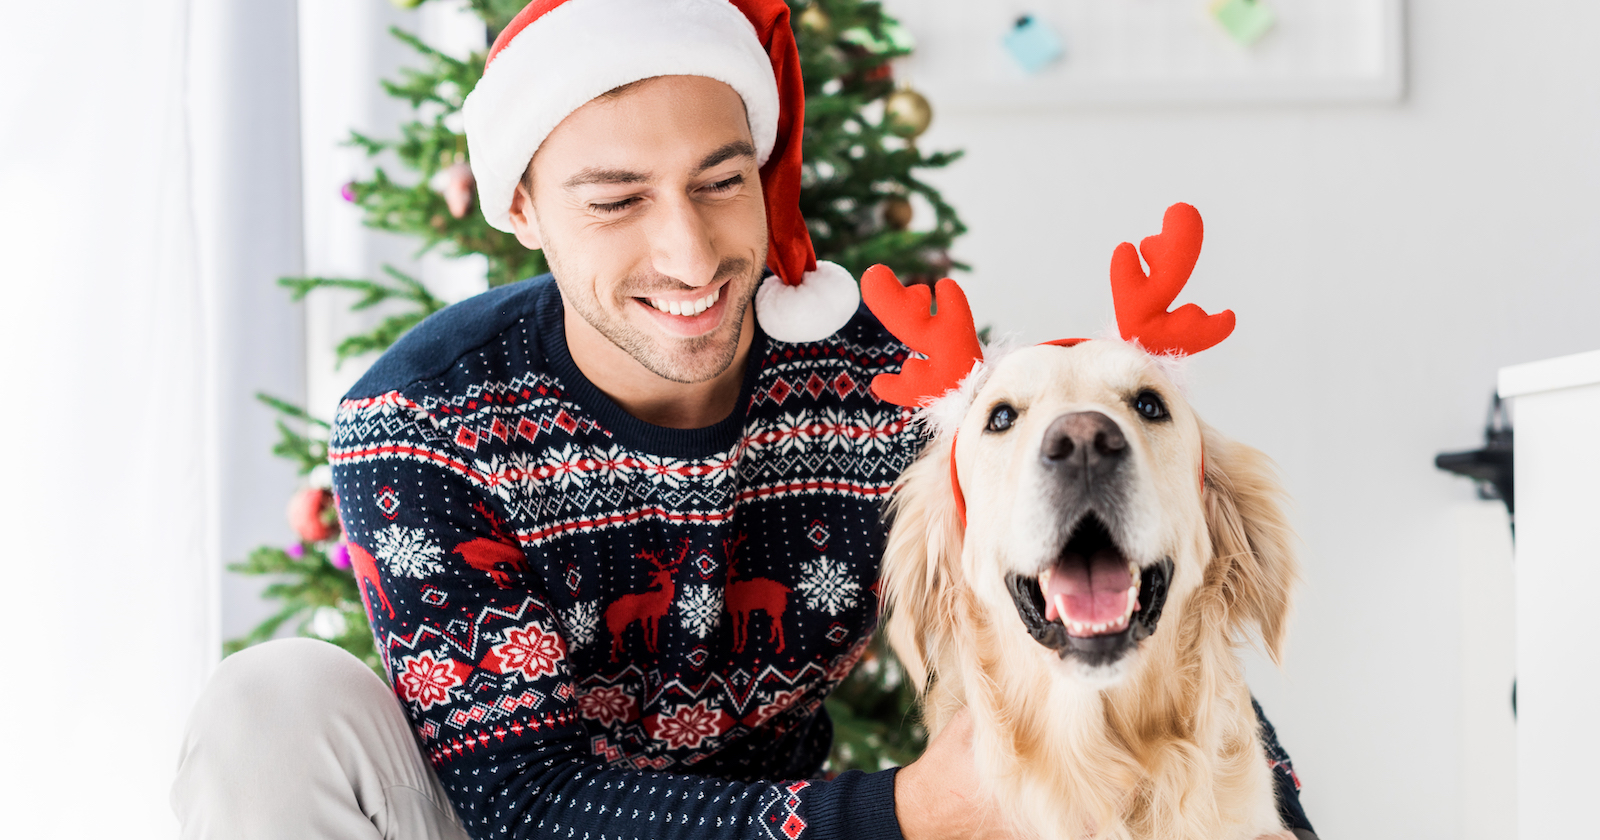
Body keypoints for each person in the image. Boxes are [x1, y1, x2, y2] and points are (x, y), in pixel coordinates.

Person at [171, 2, 1314, 839]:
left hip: (780, 827)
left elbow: (1109, 584)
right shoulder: (425, 421)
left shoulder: (885, 384)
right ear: (520, 206)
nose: (690, 253)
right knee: (272, 703)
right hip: (498, 826)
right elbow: (525, 803)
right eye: (616, 200)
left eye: (721, 183)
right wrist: (901, 811)